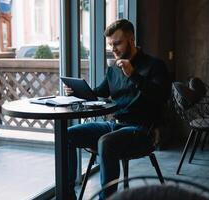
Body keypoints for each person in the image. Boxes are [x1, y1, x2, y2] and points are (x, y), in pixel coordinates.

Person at [65, 19, 171, 200]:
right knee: (67, 135)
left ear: (131, 39)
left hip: (143, 130)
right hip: (114, 125)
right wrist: (78, 91)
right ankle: (67, 195)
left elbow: (162, 96)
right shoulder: (114, 69)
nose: (113, 49)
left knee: (106, 142)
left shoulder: (155, 65)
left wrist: (134, 75)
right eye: (110, 44)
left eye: (117, 43)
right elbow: (99, 93)